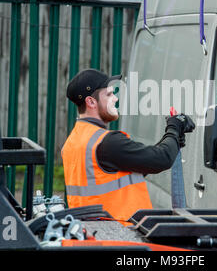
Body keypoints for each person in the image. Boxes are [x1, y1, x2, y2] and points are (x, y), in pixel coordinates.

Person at [61, 69, 195, 225]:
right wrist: (174, 128)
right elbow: (161, 159)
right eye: (109, 94)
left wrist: (172, 138)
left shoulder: (73, 142)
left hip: (94, 234)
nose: (115, 99)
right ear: (91, 102)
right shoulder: (106, 143)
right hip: (120, 236)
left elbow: (140, 163)